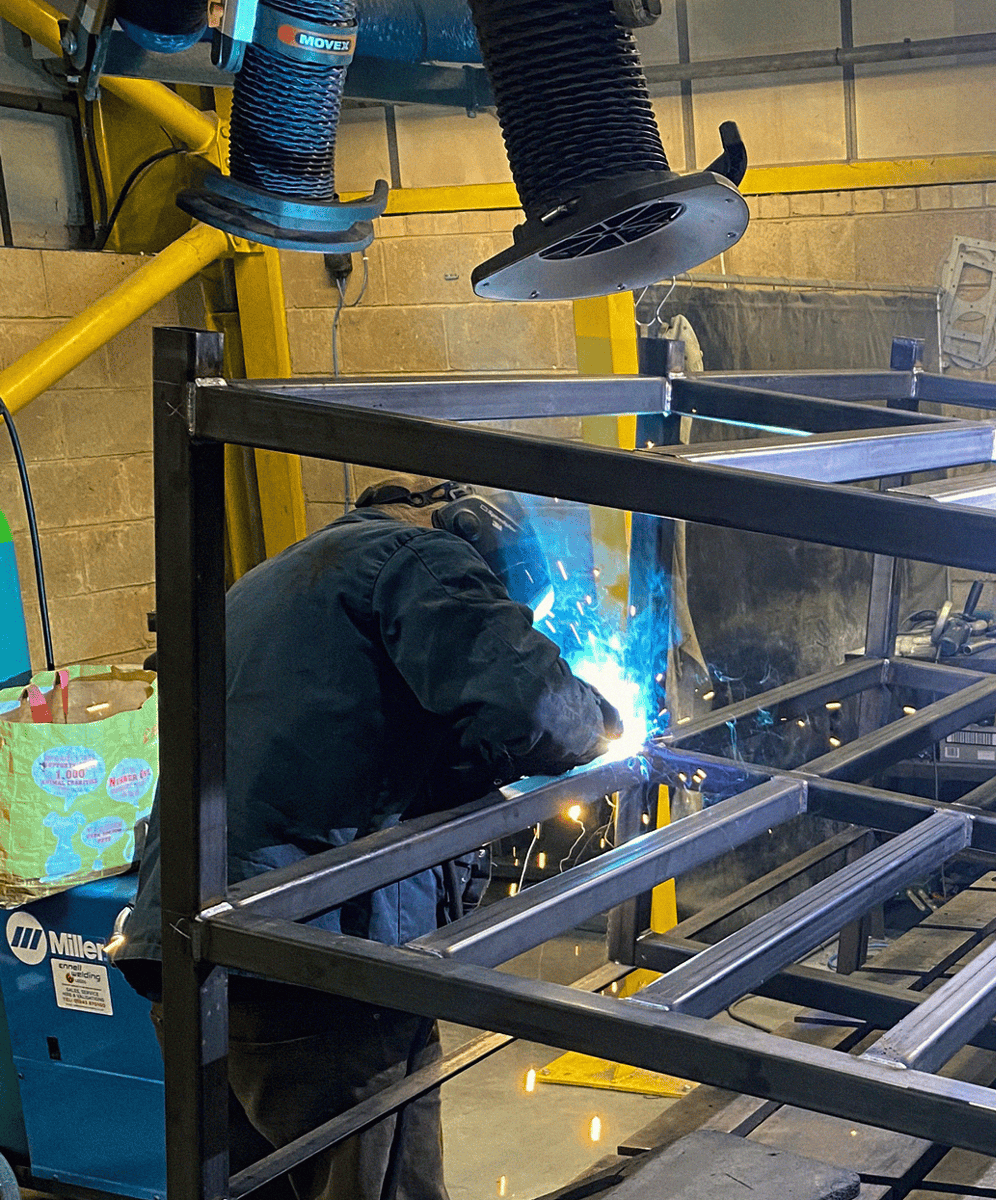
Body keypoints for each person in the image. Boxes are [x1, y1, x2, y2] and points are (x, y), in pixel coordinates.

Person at [111, 477, 621, 1200]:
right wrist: (605, 720)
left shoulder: (287, 578)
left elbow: (366, 742)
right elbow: (536, 708)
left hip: (193, 955)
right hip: (319, 964)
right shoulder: (421, 560)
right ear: (472, 529)